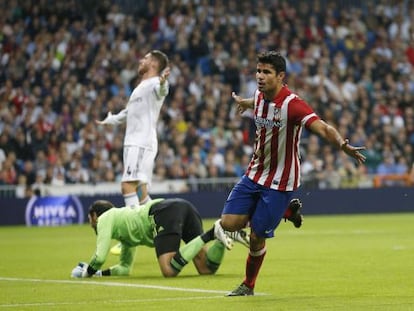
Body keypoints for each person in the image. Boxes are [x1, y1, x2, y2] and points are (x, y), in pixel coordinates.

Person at [219, 51, 366, 296]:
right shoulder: (258, 96)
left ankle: (248, 285)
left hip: (280, 181)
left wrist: (342, 145)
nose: (260, 76)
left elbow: (323, 127)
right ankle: (287, 211)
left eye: (266, 72)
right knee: (227, 223)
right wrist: (245, 103)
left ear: (280, 76)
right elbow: (256, 102)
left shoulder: (293, 104)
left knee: (256, 236)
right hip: (255, 173)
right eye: (258, 71)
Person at [70, 198, 250, 278]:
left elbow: (100, 256)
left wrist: (88, 272)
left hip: (162, 212)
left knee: (168, 269)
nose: (91, 223)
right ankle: (222, 234)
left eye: (90, 219)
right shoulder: (124, 232)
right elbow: (125, 269)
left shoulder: (105, 219)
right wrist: (100, 274)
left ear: (94, 215)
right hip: (182, 207)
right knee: (206, 268)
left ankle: (212, 232)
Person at [96, 50, 170, 208]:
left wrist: (163, 83)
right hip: (136, 142)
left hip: (140, 142)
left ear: (154, 64)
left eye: (146, 58)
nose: (141, 61)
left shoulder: (156, 83)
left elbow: (162, 91)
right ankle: (160, 222)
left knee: (127, 186)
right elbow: (129, 112)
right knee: (141, 193)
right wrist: (111, 120)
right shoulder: (140, 87)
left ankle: (135, 230)